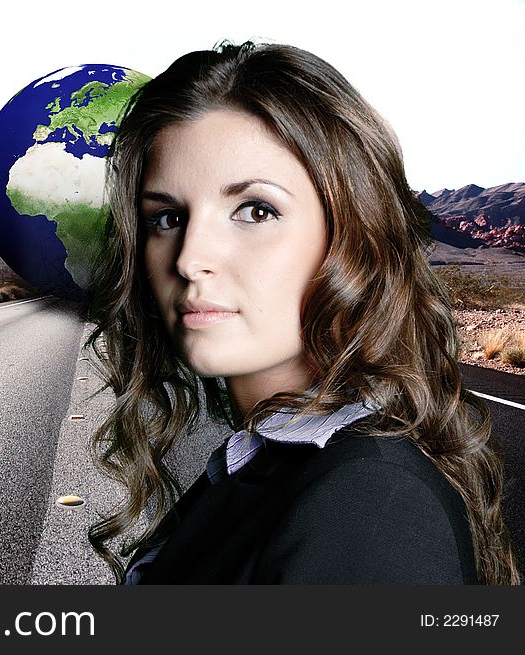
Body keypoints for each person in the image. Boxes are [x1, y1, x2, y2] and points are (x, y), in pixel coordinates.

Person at [84, 41, 521, 584]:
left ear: (352, 236)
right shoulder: (269, 462)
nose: (191, 259)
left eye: (256, 210)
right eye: (168, 218)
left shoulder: (369, 506)